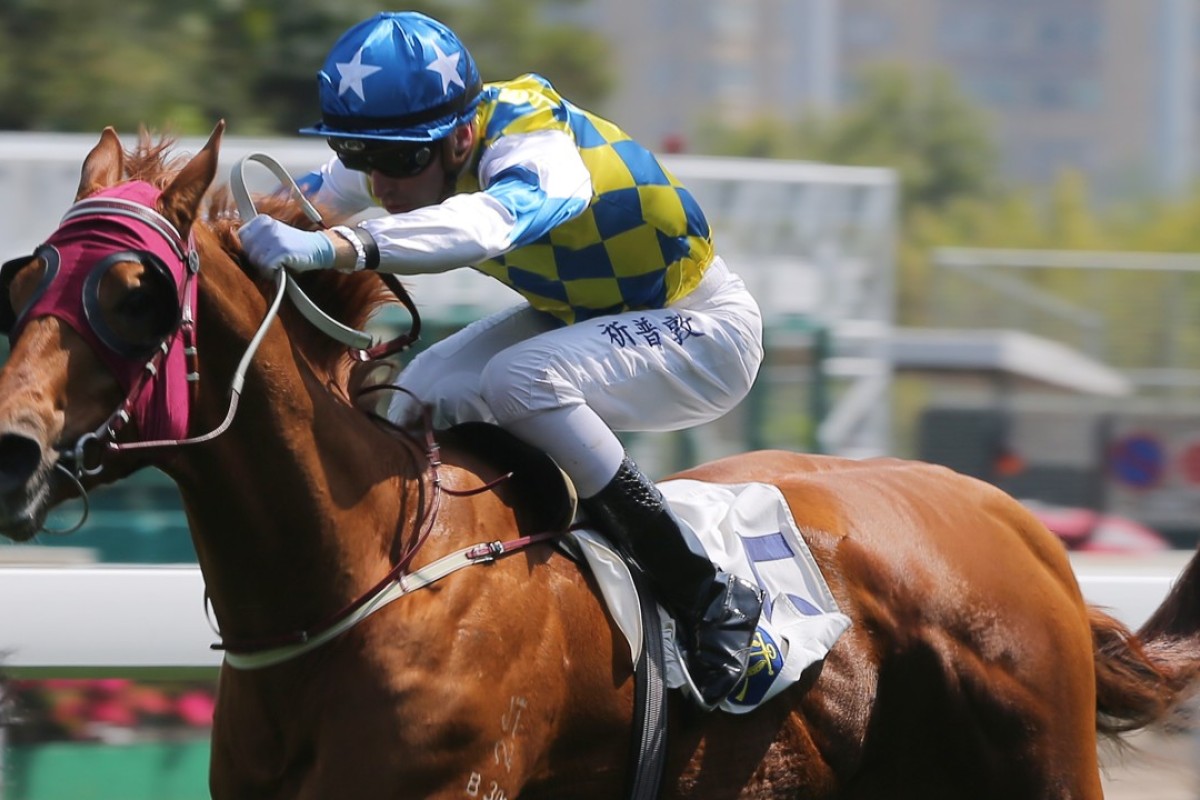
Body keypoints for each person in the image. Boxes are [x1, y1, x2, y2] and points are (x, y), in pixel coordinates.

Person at [238, 11, 765, 709]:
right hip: (591, 316)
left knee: (519, 379)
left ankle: (708, 595)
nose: (382, 183)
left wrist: (342, 247)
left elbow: (490, 223)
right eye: (360, 154)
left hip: (704, 328)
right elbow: (299, 204)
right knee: (415, 396)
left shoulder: (533, 138)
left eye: (401, 160)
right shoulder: (406, 152)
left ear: (461, 136)